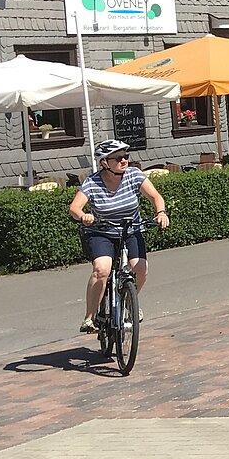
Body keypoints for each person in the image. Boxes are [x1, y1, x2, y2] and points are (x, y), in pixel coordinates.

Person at [67, 138, 168, 334]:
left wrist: (161, 213)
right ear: (104, 162)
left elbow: (155, 196)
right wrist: (83, 216)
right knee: (102, 269)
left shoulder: (134, 175)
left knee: (140, 268)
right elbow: (74, 208)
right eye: (118, 158)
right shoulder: (92, 182)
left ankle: (129, 300)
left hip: (131, 229)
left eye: (126, 157)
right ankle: (90, 317)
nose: (124, 161)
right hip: (101, 232)